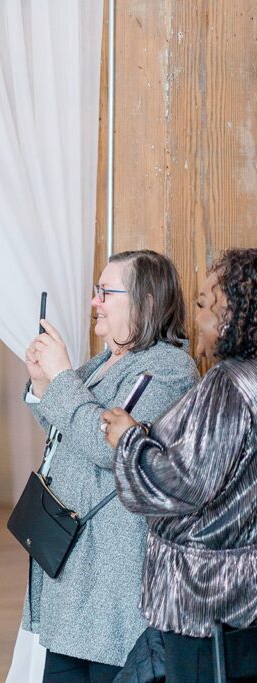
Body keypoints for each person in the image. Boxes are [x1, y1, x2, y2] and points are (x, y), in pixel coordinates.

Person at [20, 250, 199, 681]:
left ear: (147, 302)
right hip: (75, 564)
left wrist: (62, 380)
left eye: (106, 292)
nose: (94, 301)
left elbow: (107, 447)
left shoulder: (169, 369)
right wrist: (43, 385)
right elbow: (66, 424)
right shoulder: (107, 359)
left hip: (112, 571)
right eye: (96, 291)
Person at [103, 248, 257, 683]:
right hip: (240, 597)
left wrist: (128, 440)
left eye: (207, 304)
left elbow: (184, 483)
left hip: (204, 598)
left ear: (236, 313)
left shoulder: (229, 384)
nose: (198, 317)